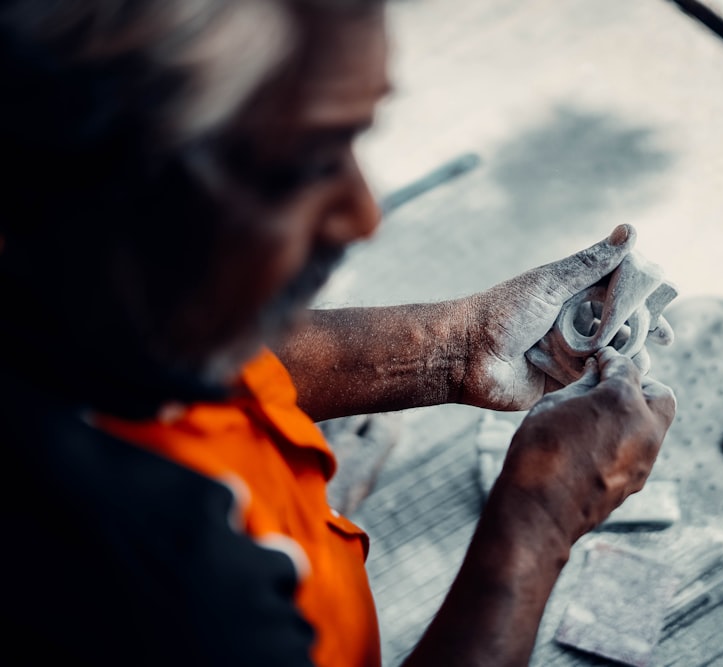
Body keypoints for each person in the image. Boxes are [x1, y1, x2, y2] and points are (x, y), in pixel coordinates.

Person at [0, 1, 676, 665]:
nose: (364, 214)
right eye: (308, 165)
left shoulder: (86, 296)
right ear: (112, 191)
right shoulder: (181, 599)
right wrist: (540, 519)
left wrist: (458, 349)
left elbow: (187, 345)